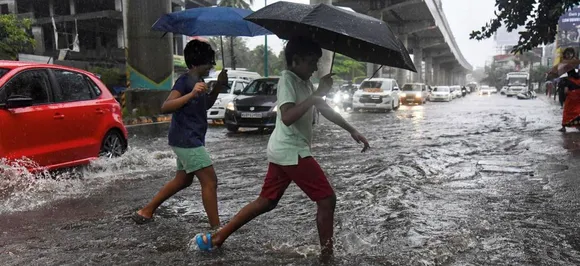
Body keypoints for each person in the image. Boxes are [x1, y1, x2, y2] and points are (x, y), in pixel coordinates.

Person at [193, 37, 370, 262]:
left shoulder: (304, 82)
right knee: (327, 200)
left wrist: (352, 130)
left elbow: (324, 109)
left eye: (317, 62)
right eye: (311, 62)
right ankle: (327, 257)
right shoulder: (288, 79)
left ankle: (218, 237)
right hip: (291, 150)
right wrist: (317, 95)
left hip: (284, 150)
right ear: (295, 61)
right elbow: (287, 116)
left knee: (266, 201)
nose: (315, 67)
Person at [132, 40, 227, 230]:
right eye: (208, 62)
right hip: (187, 139)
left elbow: (205, 105)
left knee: (183, 179)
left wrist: (217, 88)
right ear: (195, 63)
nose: (211, 66)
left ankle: (146, 211)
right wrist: (191, 94)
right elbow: (166, 106)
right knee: (210, 181)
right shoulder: (184, 82)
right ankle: (217, 230)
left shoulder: (199, 82)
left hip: (190, 138)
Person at [560, 68, 580, 132]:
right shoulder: (579, 79)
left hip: (570, 98)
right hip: (578, 97)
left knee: (567, 111)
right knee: (578, 110)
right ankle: (578, 124)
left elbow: (566, 91)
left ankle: (564, 127)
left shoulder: (568, 80)